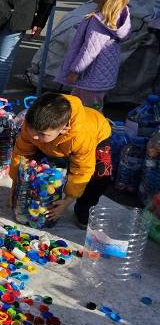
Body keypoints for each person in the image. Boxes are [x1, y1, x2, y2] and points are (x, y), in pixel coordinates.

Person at [9, 92, 111, 227]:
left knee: (100, 175)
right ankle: (32, 197)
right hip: (55, 142)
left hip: (96, 136)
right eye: (30, 130)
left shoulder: (80, 138)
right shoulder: (33, 125)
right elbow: (21, 153)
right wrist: (16, 184)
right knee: (33, 169)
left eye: (41, 134)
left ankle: (84, 208)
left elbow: (82, 170)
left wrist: (68, 200)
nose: (34, 137)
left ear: (64, 129)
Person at [55, 0, 131, 110]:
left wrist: (74, 71)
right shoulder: (117, 16)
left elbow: (89, 51)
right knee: (85, 108)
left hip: (90, 78)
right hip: (101, 76)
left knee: (88, 111)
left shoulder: (98, 21)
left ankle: (93, 126)